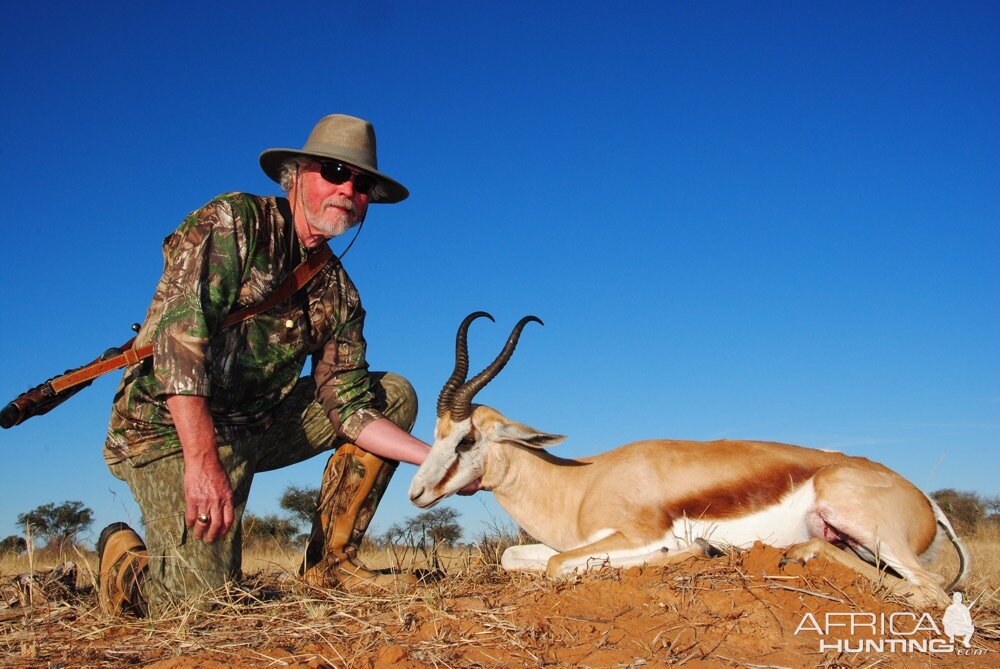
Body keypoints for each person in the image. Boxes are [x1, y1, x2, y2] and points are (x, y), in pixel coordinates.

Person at [98, 114, 461, 617]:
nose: (348, 189)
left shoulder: (339, 293)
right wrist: (203, 463)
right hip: (168, 432)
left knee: (392, 394)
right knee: (200, 607)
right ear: (296, 172)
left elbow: (350, 406)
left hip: (256, 424)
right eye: (335, 170)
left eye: (361, 183)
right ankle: (125, 563)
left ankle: (331, 565)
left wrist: (443, 460)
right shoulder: (232, 222)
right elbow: (180, 345)